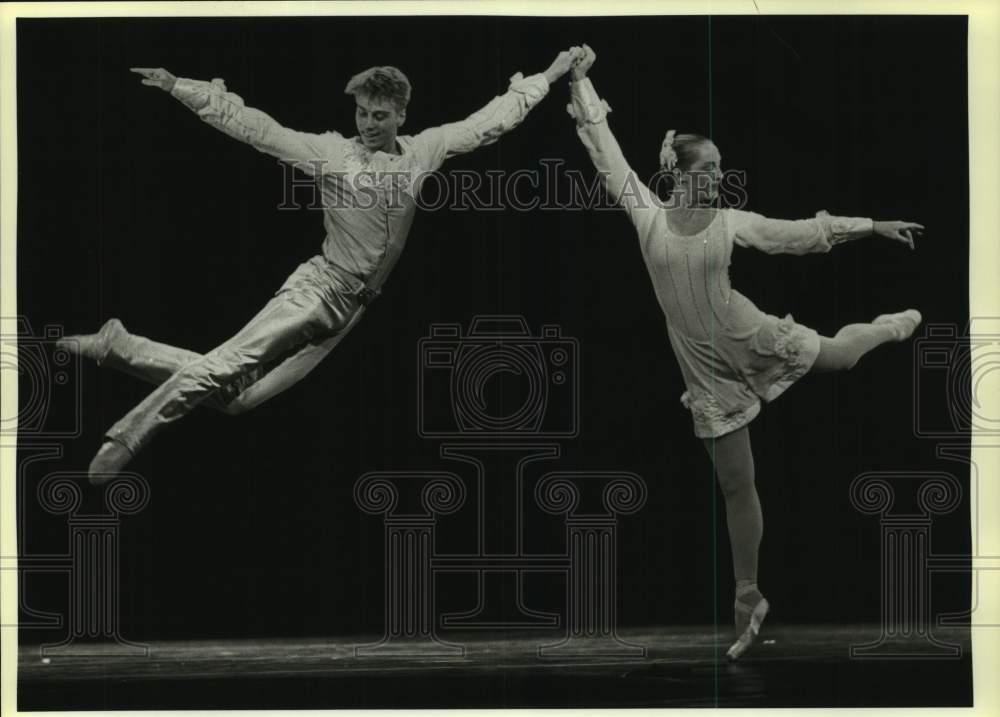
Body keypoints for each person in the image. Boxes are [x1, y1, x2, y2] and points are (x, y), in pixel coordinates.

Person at [61, 50, 584, 484]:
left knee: (239, 401)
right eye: (362, 114)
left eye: (380, 115)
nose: (369, 124)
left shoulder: (424, 150)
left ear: (401, 113)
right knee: (227, 363)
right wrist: (182, 87)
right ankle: (127, 435)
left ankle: (121, 347)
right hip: (317, 290)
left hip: (353, 311)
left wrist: (555, 73)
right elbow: (256, 129)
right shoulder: (331, 154)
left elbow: (491, 121)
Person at [565, 45, 925, 661]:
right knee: (738, 484)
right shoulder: (647, 217)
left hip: (747, 334)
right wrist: (580, 81)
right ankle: (747, 597)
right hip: (704, 371)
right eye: (709, 167)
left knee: (841, 355)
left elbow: (797, 236)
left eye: (720, 168)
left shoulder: (729, 222)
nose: (718, 175)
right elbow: (604, 149)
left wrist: (870, 224)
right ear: (681, 170)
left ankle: (891, 326)